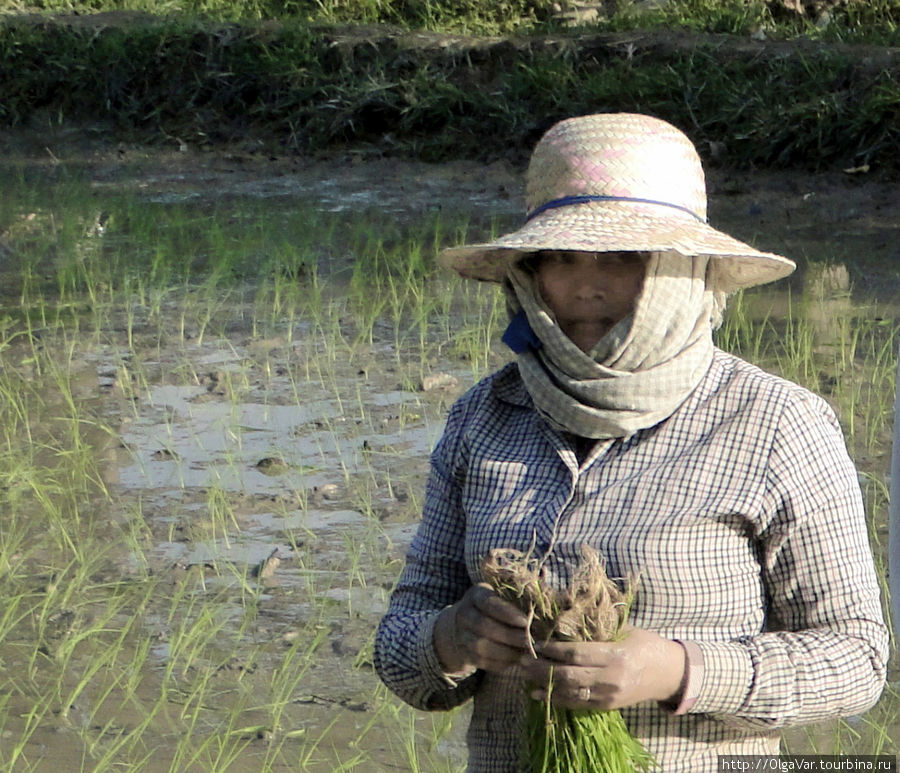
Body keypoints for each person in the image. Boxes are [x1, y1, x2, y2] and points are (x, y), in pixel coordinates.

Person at [373, 113, 888, 772]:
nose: (588, 285)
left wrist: (676, 669)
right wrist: (450, 638)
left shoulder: (776, 423)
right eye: (561, 258)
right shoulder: (485, 417)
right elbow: (398, 644)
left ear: (686, 271)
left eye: (622, 258)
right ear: (527, 275)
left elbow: (856, 660)